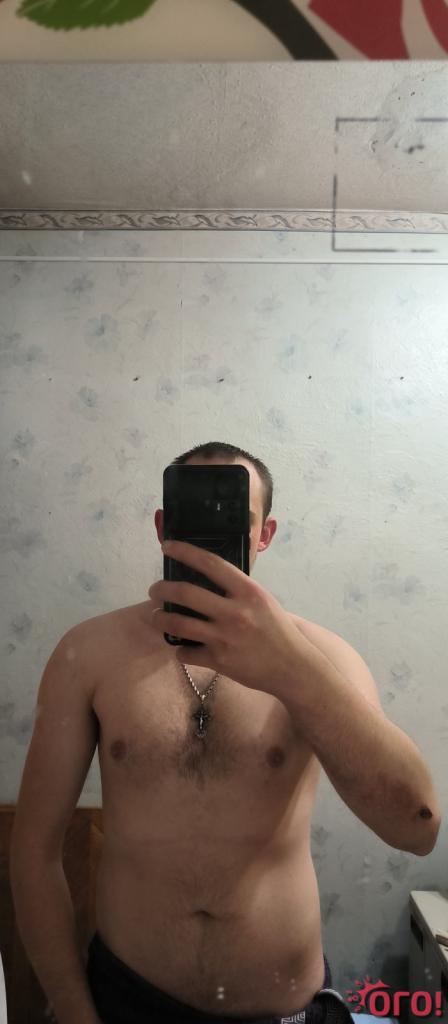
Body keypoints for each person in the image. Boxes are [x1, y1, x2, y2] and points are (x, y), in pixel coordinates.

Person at [10, 441, 441, 1024]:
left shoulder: (322, 659)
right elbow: (34, 852)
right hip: (126, 1000)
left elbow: (416, 827)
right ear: (163, 529)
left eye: (236, 520)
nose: (211, 538)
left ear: (264, 534)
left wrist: (293, 670)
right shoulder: (88, 655)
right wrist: (73, 1011)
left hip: (283, 1008)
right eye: (192, 520)